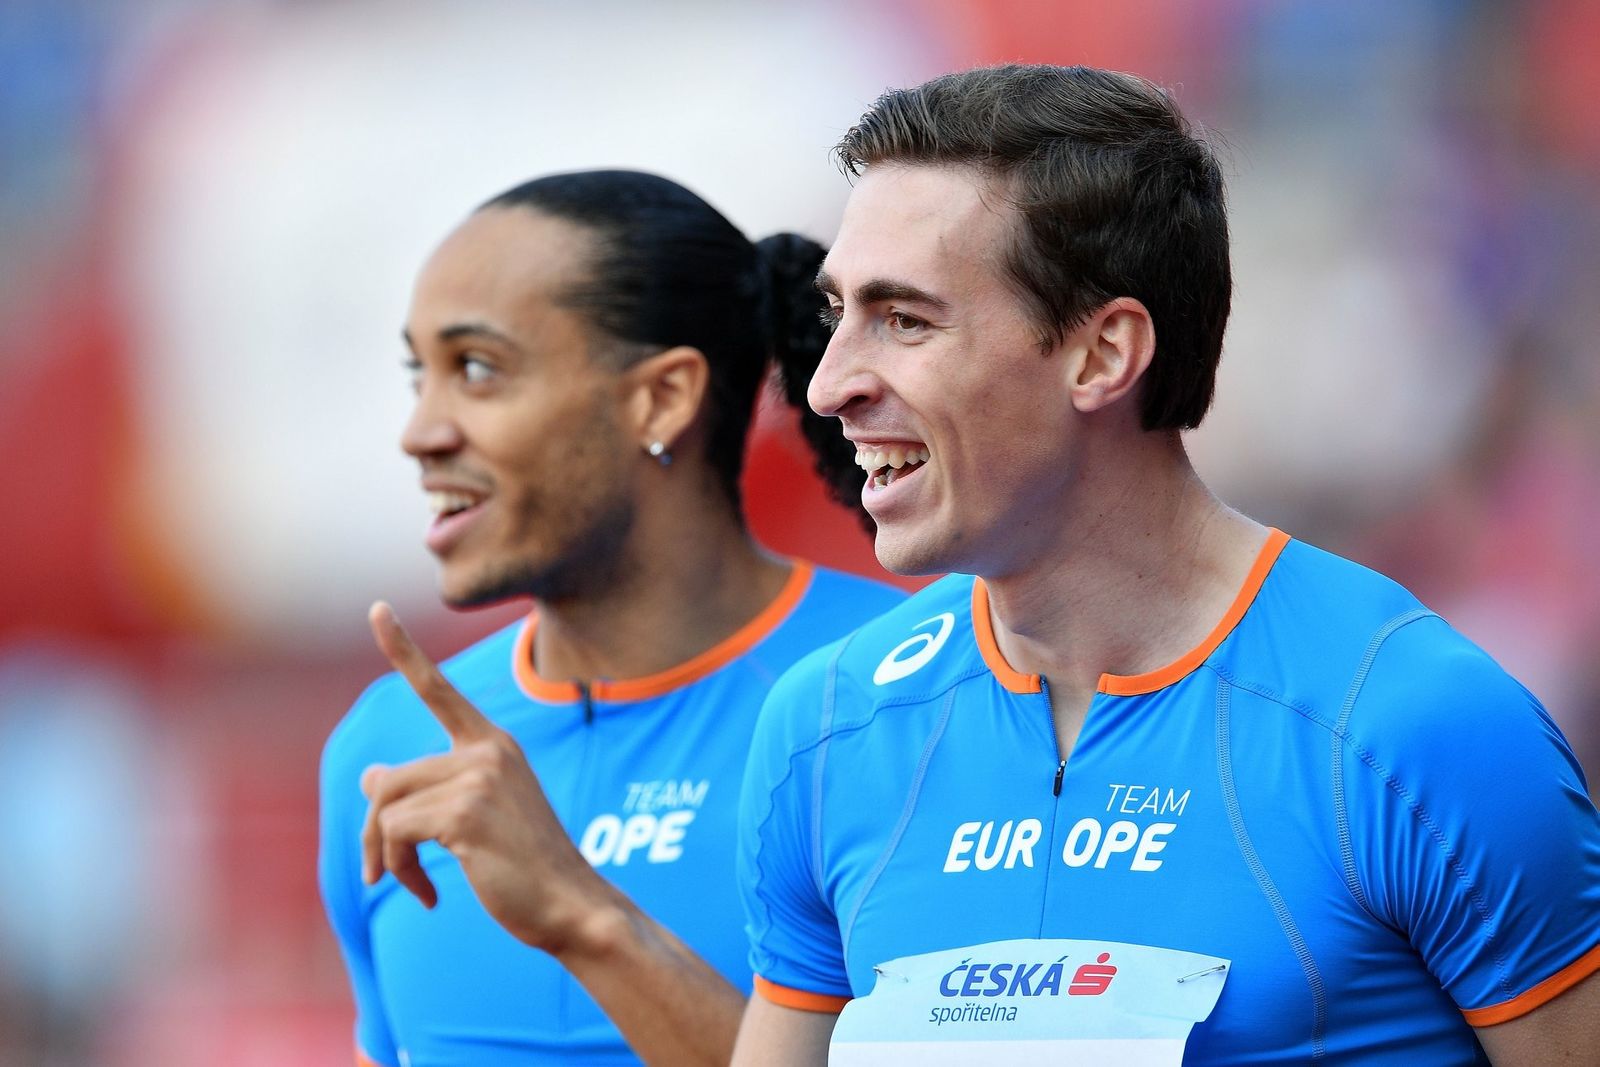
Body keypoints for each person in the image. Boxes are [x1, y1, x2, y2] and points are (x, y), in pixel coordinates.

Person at [731, 65, 1600, 1065]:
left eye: (906, 320)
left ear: (1104, 355)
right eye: (836, 314)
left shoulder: (1415, 727)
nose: (830, 383)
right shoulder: (825, 726)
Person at [318, 169, 905, 1067]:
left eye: (476, 369)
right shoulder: (386, 745)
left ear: (661, 398)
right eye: (419, 373)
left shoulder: (910, 696)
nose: (421, 432)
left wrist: (582, 914)